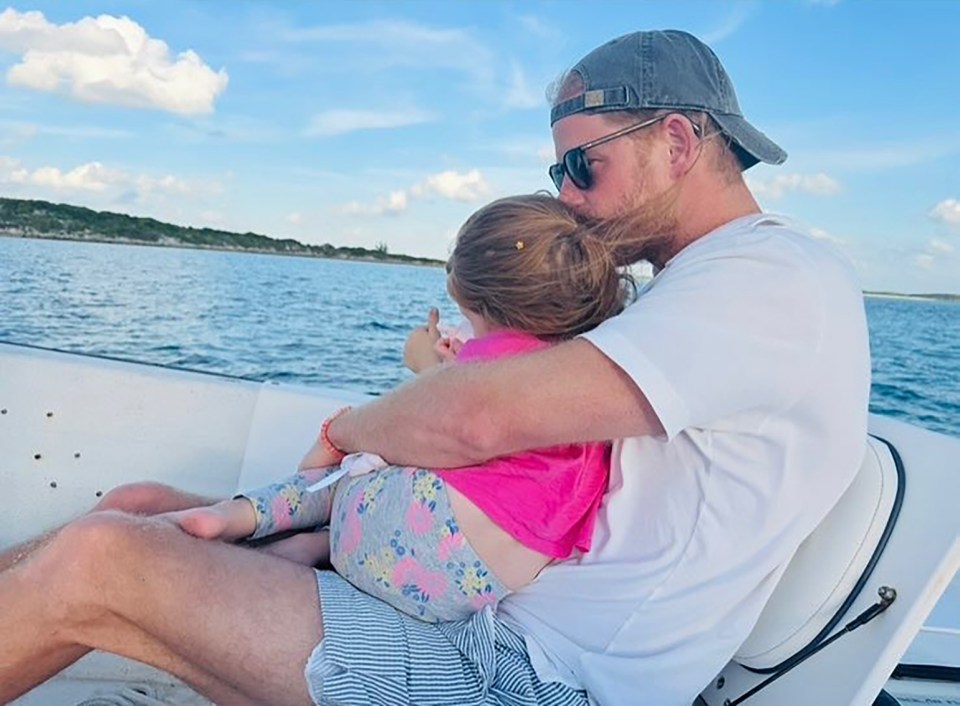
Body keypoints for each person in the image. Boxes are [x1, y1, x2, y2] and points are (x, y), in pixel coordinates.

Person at [0, 28, 870, 706]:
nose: (565, 194)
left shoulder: (770, 281)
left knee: (102, 560)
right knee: (136, 510)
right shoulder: (695, 290)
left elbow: (476, 419)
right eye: (556, 169)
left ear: (677, 142)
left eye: (583, 164)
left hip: (531, 678)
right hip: (473, 611)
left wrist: (344, 432)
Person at [164, 194, 633, 623]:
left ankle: (239, 516)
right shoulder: (580, 377)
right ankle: (314, 545)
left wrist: (424, 361)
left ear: (466, 287)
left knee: (366, 459)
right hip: (468, 587)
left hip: (395, 533)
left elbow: (443, 419)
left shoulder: (494, 375)